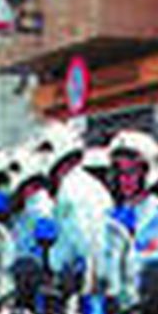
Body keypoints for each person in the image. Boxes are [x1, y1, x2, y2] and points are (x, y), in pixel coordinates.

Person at [31, 121, 113, 288]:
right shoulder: (69, 187)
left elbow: (88, 247)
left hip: (83, 282)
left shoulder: (74, 189)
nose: (40, 158)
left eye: (45, 151)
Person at [106, 129, 158, 261]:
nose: (125, 179)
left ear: (147, 172)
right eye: (120, 172)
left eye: (132, 171)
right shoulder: (109, 214)